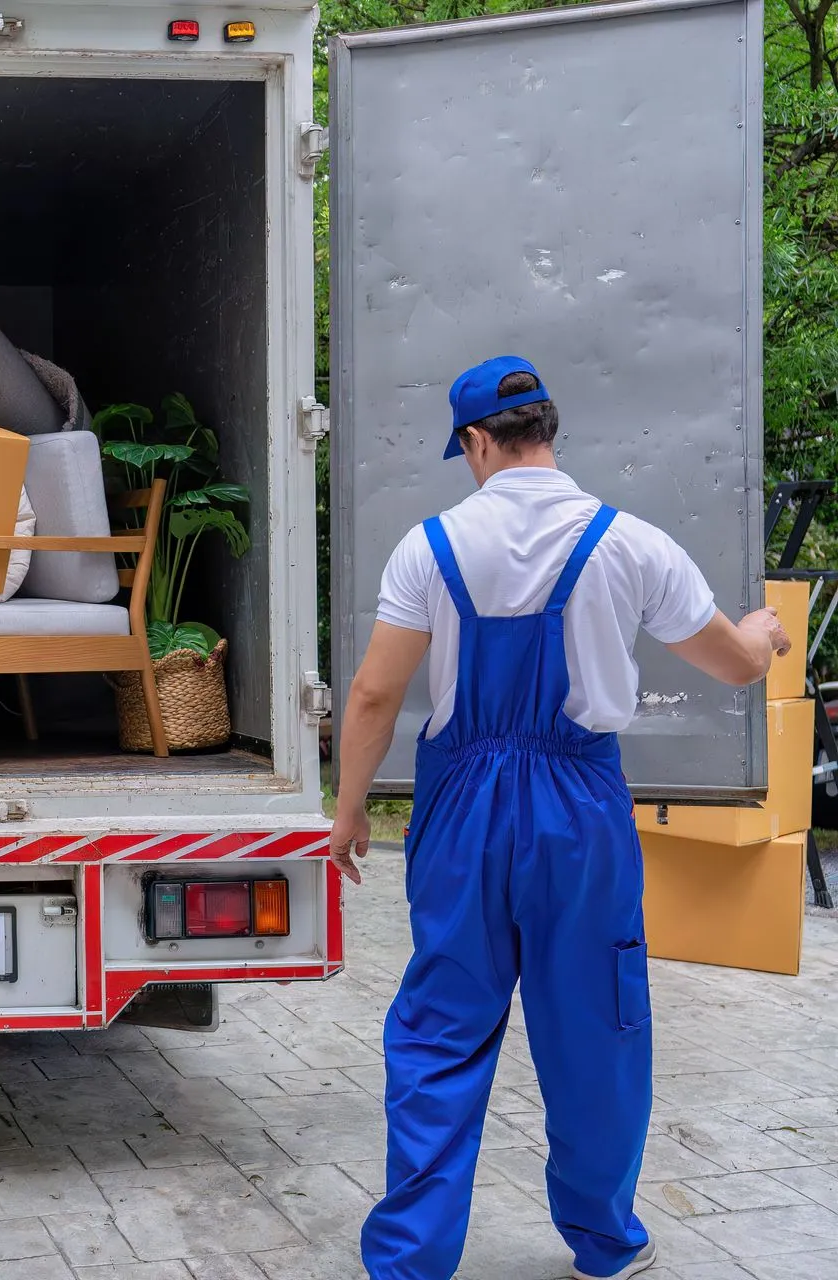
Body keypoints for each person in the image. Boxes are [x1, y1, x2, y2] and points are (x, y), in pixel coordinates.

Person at [329, 357, 790, 1280]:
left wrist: (348, 813)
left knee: (440, 1025)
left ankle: (412, 1259)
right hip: (580, 808)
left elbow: (377, 695)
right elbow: (738, 664)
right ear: (550, 429)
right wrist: (768, 633)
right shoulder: (629, 543)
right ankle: (606, 1242)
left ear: (474, 441)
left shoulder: (431, 546)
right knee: (595, 1024)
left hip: (461, 810)